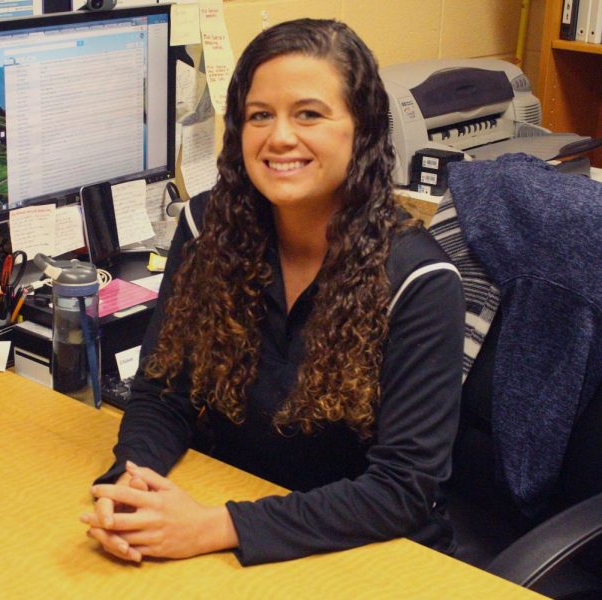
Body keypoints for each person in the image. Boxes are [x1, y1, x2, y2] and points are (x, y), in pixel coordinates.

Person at [81, 19, 464, 566]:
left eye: (309, 114)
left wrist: (214, 526)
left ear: (363, 130)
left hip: (367, 554)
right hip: (234, 516)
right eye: (261, 115)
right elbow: (163, 393)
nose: (280, 137)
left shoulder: (419, 282)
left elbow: (400, 491)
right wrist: (130, 487)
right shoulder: (208, 227)